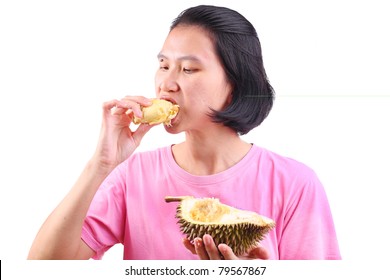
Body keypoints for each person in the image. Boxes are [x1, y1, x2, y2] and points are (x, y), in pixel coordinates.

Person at [28, 5, 341, 260]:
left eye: (188, 69)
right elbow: (43, 267)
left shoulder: (295, 183)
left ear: (235, 84)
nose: (166, 83)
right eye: (164, 65)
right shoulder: (131, 175)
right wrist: (101, 164)